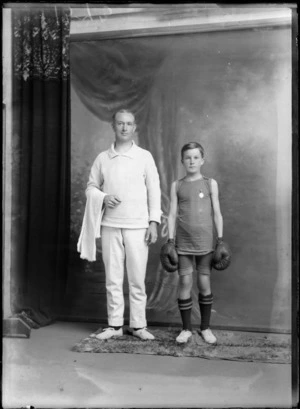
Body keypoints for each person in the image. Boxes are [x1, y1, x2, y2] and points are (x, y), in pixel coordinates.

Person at [86, 109, 161, 340]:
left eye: (129, 124)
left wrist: (153, 222)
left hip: (138, 226)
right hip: (110, 225)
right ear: (113, 126)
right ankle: (115, 325)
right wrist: (104, 197)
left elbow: (154, 190)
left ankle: (138, 326)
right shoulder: (103, 158)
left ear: (135, 127)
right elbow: (91, 187)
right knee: (113, 277)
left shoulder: (144, 156)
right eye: (120, 123)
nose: (125, 128)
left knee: (137, 278)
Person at [166, 142, 223, 344]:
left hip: (205, 242)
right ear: (182, 161)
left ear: (202, 160)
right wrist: (170, 240)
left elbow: (216, 213)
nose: (191, 161)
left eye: (195, 157)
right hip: (183, 242)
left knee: (204, 282)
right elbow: (172, 214)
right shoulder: (177, 185)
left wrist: (221, 240)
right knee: (185, 282)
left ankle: (206, 328)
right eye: (188, 157)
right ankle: (186, 329)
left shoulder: (210, 183)